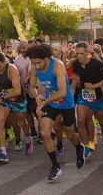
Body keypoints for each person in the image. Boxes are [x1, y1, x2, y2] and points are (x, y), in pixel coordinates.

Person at [27, 44, 85, 181]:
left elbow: (63, 92)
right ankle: (55, 166)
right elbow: (31, 86)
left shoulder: (57, 65)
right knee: (45, 133)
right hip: (50, 102)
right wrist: (36, 96)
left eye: (39, 63)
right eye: (34, 63)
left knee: (70, 134)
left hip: (65, 102)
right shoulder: (34, 67)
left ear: (47, 58)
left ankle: (79, 147)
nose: (36, 66)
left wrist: (45, 100)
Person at [0, 52, 33, 162]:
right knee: (0, 122)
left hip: (17, 99)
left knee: (22, 122)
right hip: (5, 99)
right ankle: (3, 152)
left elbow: (18, 91)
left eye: (0, 66)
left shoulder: (12, 69)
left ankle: (28, 139)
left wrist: (3, 96)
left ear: (5, 62)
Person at [71, 42, 103, 159]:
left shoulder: (97, 64)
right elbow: (76, 76)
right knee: (80, 120)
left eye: (82, 54)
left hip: (99, 96)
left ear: (88, 53)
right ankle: (86, 146)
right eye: (77, 54)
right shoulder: (76, 64)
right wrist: (72, 88)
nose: (79, 56)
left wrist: (94, 86)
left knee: (102, 122)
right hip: (83, 95)